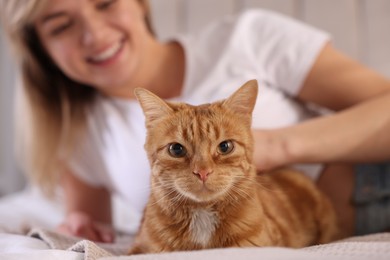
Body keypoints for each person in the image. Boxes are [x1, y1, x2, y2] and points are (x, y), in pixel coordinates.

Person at [1, 0, 390, 243]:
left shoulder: (248, 35)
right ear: (42, 50)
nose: (94, 33)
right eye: (61, 25)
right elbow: (91, 227)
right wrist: (79, 227)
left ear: (140, 3)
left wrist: (277, 145)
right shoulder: (77, 127)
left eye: (105, 2)